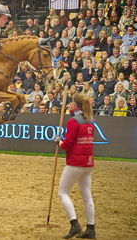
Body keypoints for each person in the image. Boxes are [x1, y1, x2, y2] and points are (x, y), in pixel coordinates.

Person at [55, 93, 96, 239]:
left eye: (72, 103)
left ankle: (74, 224)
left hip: (75, 162)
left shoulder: (73, 121)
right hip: (88, 162)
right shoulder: (90, 120)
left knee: (62, 192)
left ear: (75, 105)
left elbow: (67, 145)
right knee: (87, 195)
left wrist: (59, 141)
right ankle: (90, 228)